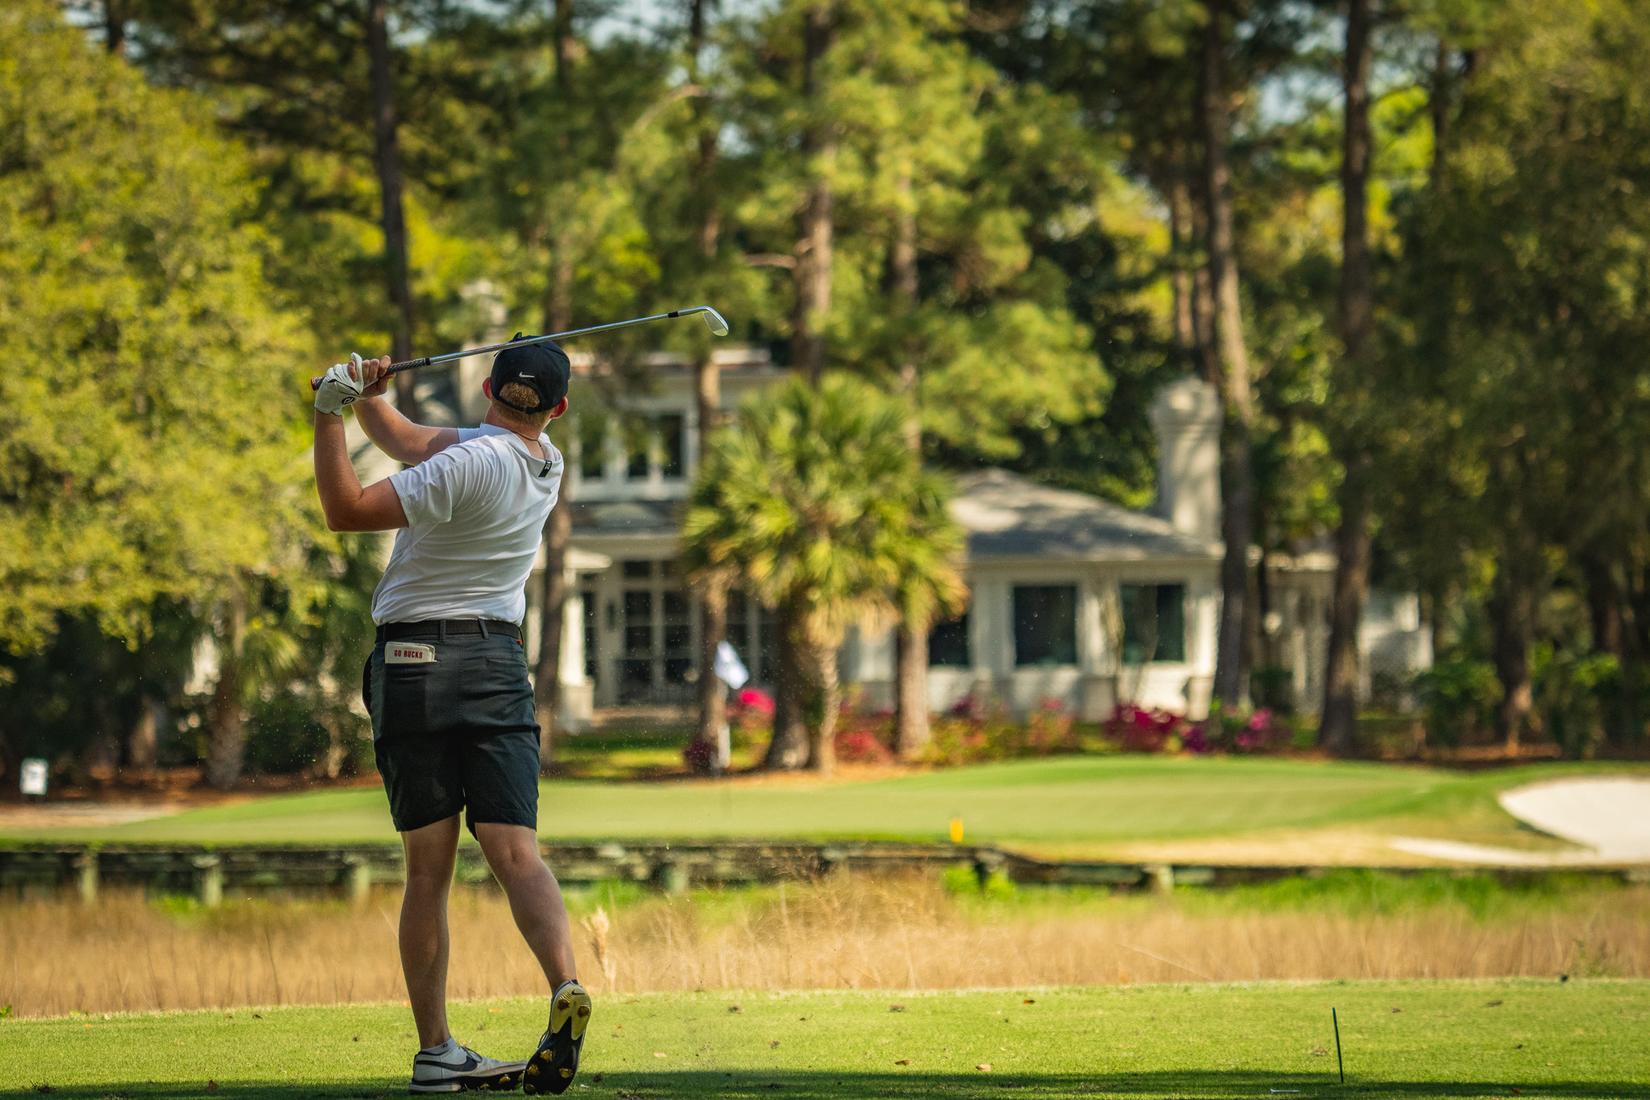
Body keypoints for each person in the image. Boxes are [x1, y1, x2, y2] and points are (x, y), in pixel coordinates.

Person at [312, 339, 591, 1095]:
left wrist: (328, 416)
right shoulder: (544, 463)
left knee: (428, 872)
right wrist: (370, 395)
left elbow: (344, 511)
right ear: (557, 409)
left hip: (413, 666)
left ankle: (436, 1050)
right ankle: (564, 984)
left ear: (485, 387)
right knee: (517, 853)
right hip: (497, 665)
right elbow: (407, 439)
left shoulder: (465, 464)